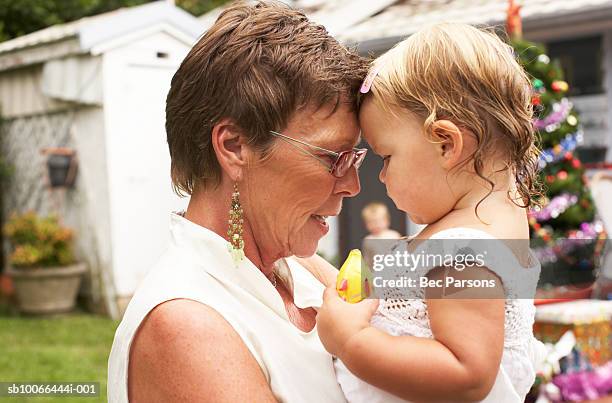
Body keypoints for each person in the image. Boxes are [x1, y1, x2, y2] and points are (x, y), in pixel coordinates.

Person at [107, 1, 368, 402]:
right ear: (234, 147)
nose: (352, 184)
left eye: (356, 156)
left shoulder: (300, 271)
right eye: (334, 157)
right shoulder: (187, 321)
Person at [311, 23, 546, 402]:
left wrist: (352, 340)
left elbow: (466, 373)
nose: (381, 176)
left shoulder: (465, 251)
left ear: (446, 144)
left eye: (386, 157)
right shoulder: (472, 234)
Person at [360, 202, 401, 268]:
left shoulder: (394, 235)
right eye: (370, 222)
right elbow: (367, 260)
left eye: (377, 221)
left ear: (387, 220)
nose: (375, 224)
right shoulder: (368, 240)